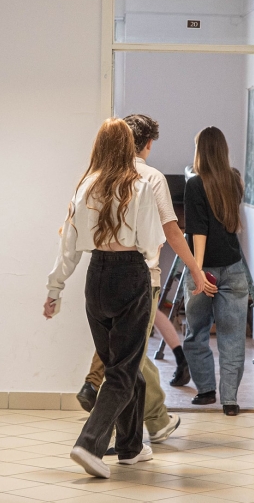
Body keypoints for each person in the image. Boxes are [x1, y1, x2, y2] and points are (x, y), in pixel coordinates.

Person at [74, 114, 214, 446]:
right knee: (128, 360)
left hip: (100, 273)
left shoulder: (99, 176)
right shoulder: (150, 177)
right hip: (141, 277)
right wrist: (195, 270)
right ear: (148, 144)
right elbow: (171, 231)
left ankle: (132, 440)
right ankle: (134, 427)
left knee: (124, 358)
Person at [45, 118, 165, 479]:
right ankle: (89, 443)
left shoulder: (85, 187)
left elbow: (68, 246)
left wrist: (54, 289)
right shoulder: (139, 186)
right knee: (122, 371)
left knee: (124, 367)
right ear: (129, 147)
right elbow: (151, 243)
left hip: (95, 277)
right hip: (129, 274)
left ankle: (130, 448)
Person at [182, 127, 249, 416]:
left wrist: (198, 272)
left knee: (196, 332)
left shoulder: (195, 183)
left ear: (200, 151)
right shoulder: (234, 180)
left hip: (204, 270)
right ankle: (230, 401)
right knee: (232, 337)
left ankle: (206, 391)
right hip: (233, 268)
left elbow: (198, 230)